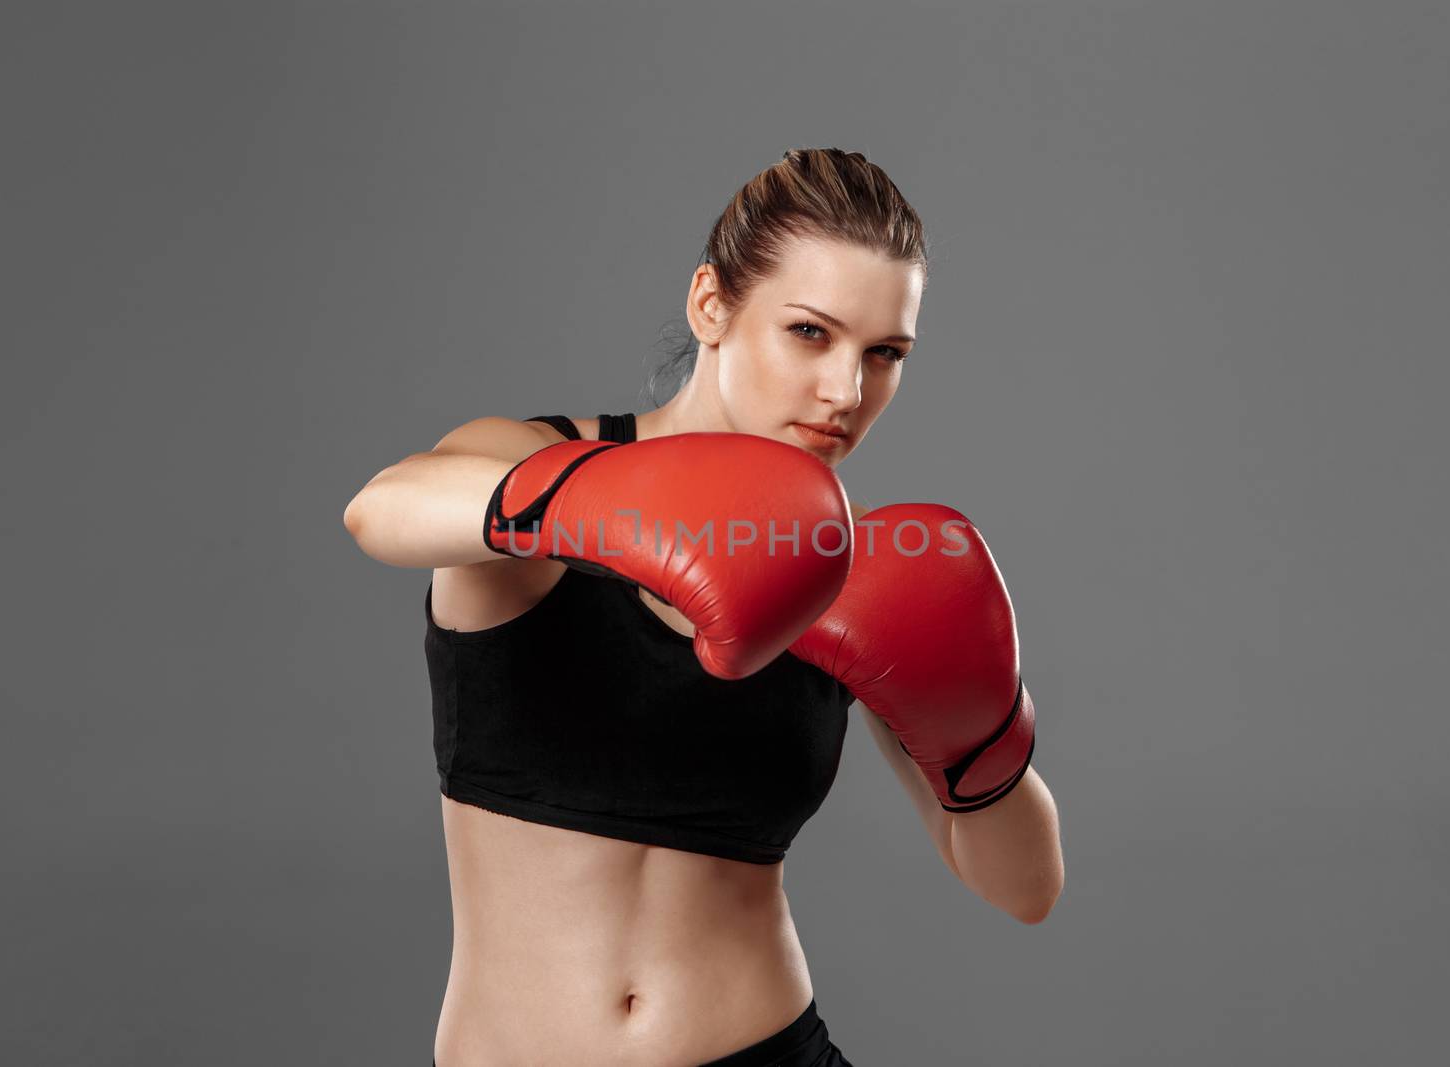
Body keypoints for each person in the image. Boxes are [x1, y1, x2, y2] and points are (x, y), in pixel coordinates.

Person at [344, 148, 1065, 1067]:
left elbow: (1024, 888)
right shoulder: (538, 459)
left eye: (885, 354)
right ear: (710, 305)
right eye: (810, 332)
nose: (847, 392)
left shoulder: (853, 573)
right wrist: (590, 509)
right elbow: (383, 507)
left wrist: (982, 738)